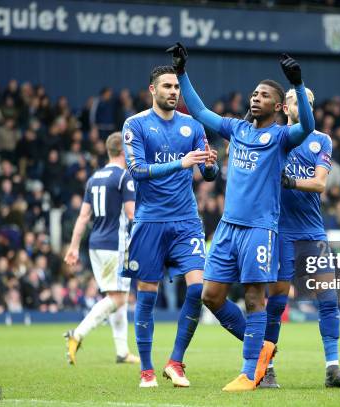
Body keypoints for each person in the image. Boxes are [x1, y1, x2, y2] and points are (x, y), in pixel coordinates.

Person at [168, 42, 315, 391]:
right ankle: (264, 348)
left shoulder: (281, 137)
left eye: (263, 95)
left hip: (260, 229)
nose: (255, 97)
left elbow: (306, 128)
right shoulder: (238, 130)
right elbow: (201, 112)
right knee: (211, 296)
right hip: (228, 228)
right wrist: (182, 73)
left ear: (277, 107)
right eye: (253, 93)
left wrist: (297, 85)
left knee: (253, 298)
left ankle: (251, 371)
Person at [122, 65, 219, 388]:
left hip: (186, 221)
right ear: (152, 90)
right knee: (146, 297)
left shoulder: (192, 125)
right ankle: (146, 370)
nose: (173, 91)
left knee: (198, 289)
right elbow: (137, 170)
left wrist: (209, 166)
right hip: (150, 221)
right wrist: (182, 162)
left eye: (176, 86)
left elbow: (208, 174)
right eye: (167, 86)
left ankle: (175, 361)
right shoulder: (135, 125)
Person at [258, 87, 340, 388]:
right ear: (283, 107)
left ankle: (333, 369)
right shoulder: (275, 137)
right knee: (276, 303)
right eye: (293, 100)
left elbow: (319, 184)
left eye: (306, 102)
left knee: (329, 300)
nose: (300, 106)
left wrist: (289, 180)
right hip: (281, 233)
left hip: (313, 233)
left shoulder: (321, 140)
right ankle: (267, 368)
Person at [63, 132, 139, 366]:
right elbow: (131, 214)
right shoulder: (124, 177)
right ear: (124, 151)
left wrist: (74, 246)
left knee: (120, 297)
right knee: (116, 298)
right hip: (115, 245)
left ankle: (122, 352)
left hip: (96, 243)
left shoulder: (94, 178)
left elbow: (84, 216)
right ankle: (77, 335)